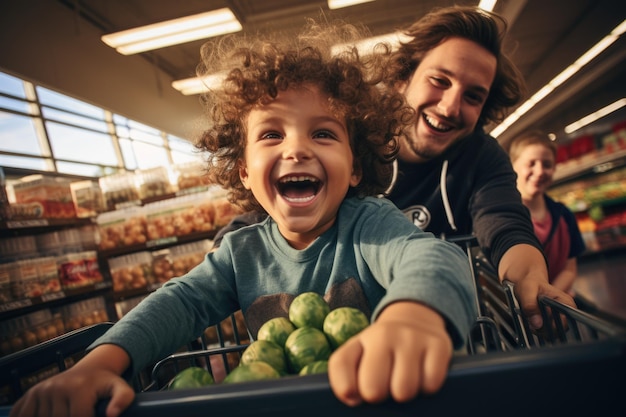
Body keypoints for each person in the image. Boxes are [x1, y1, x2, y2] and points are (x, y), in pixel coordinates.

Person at [10, 21, 477, 417]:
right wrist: (96, 367)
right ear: (244, 173)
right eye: (271, 134)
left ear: (355, 167)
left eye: (323, 133)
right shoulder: (240, 253)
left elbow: (431, 257)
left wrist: (414, 318)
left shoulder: (369, 224)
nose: (296, 148)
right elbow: (179, 302)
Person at [213, 5, 577, 329]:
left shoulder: (482, 156)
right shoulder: (353, 146)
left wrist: (532, 278)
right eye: (439, 81)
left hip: (433, 321)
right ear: (404, 77)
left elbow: (506, 226)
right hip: (349, 327)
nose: (451, 106)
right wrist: (219, 259)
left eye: (473, 96)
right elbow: (277, 211)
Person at [508, 130, 586, 295]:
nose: (540, 171)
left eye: (547, 164)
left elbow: (570, 268)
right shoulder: (503, 217)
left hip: (557, 306)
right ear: (513, 167)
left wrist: (551, 298)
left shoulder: (564, 215)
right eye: (531, 163)